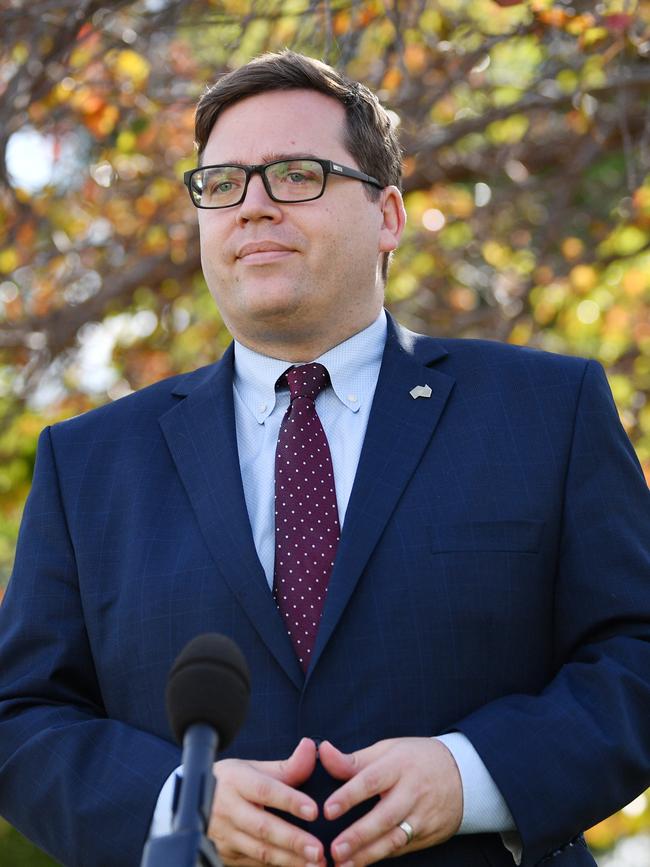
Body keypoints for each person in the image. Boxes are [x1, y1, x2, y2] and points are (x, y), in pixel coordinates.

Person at [0, 50, 649, 867]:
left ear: (388, 217)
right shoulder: (86, 462)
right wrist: (177, 801)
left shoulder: (546, 412)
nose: (254, 207)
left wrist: (472, 774)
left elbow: (637, 650)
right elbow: (19, 714)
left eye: (296, 174)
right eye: (223, 184)